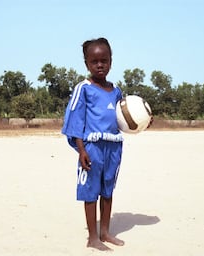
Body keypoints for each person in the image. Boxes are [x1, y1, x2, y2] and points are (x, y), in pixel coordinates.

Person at [61, 37, 124, 251]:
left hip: (113, 146)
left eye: (104, 60)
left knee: (108, 189)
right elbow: (75, 119)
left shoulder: (116, 91)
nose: (100, 65)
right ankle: (92, 237)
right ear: (86, 63)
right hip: (92, 148)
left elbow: (125, 117)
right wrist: (81, 149)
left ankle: (105, 232)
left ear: (111, 61)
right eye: (94, 61)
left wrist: (142, 121)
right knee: (91, 190)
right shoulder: (84, 88)